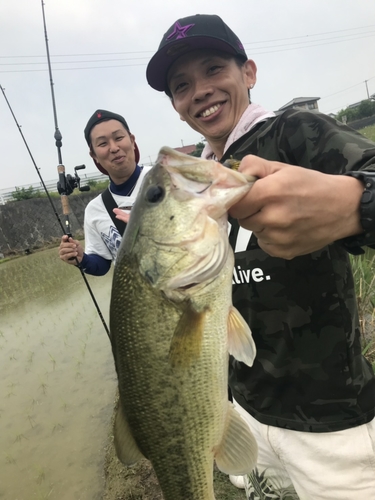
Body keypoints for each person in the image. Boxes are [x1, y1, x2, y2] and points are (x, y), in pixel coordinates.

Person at [145, 14, 375, 500]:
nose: (200, 90)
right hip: (243, 408)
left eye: (213, 69)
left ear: (248, 72)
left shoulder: (296, 133)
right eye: (182, 85)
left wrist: (356, 205)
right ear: (176, 106)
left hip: (332, 421)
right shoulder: (202, 179)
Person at [59, 109, 149, 275]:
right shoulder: (95, 210)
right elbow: (102, 264)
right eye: (102, 143)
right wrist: (82, 258)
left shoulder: (165, 178)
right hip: (138, 298)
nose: (114, 148)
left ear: (131, 139)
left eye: (119, 138)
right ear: (94, 154)